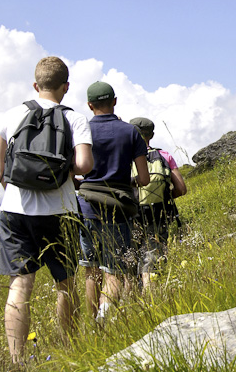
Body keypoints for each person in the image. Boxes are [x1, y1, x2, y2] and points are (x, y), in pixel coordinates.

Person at [0, 57, 94, 365]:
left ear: (35, 85)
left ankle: (16, 361)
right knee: (65, 283)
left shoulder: (12, 115)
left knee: (20, 286)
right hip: (60, 210)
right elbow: (84, 165)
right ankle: (70, 347)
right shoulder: (74, 119)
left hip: (15, 210)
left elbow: (2, 170)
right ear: (66, 87)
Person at [76, 82, 149, 322]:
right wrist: (125, 181)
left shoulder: (81, 129)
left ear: (89, 105)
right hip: (118, 209)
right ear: (114, 101)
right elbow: (145, 178)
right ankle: (104, 322)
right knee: (114, 272)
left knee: (91, 271)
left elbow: (72, 169)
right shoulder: (130, 132)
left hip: (86, 207)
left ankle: (94, 324)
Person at [129, 117, 187, 291]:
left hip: (131, 215)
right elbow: (181, 189)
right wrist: (164, 198)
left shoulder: (124, 158)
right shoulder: (164, 156)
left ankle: (131, 305)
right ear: (151, 135)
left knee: (129, 261)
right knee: (152, 260)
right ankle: (152, 300)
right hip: (158, 214)